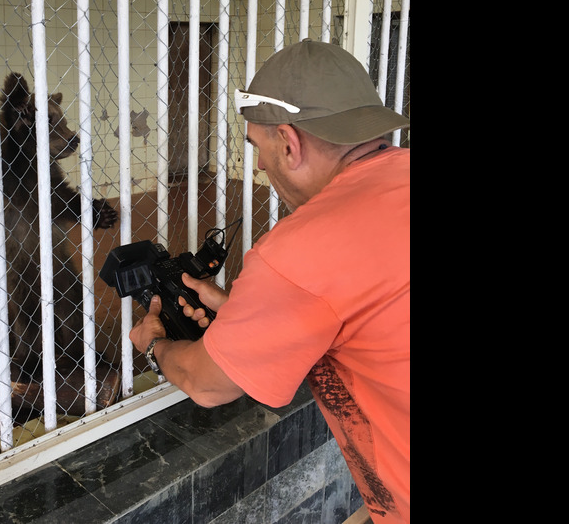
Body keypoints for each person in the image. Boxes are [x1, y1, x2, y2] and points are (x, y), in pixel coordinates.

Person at [129, 40, 410, 524]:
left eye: (258, 149)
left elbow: (205, 383)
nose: (259, 166)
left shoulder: (303, 249)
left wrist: (154, 344)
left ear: (288, 142)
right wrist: (244, 309)